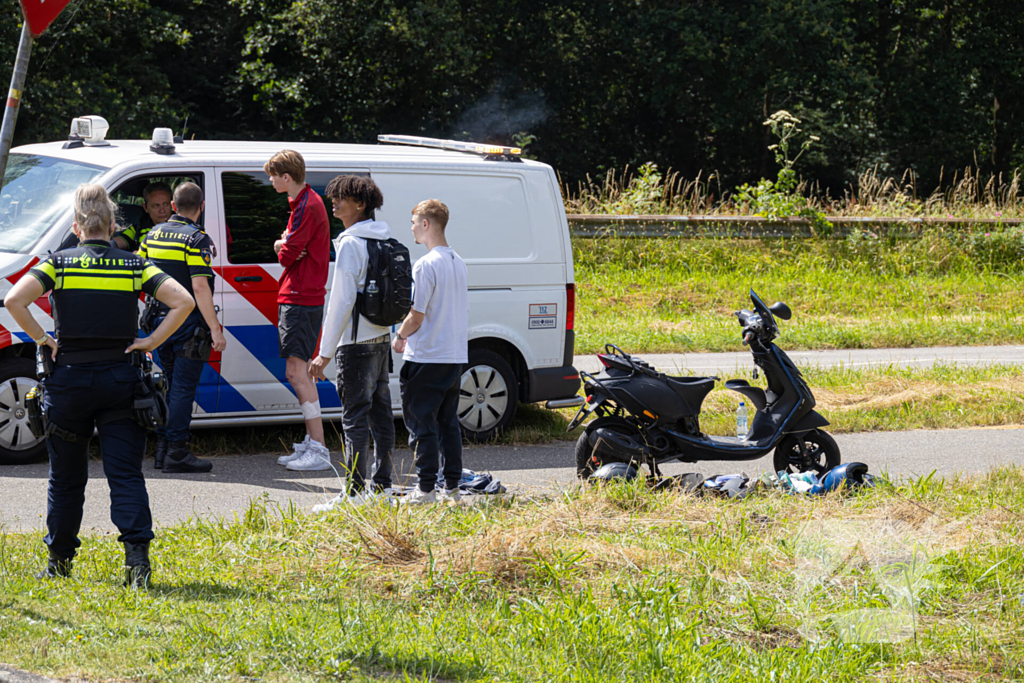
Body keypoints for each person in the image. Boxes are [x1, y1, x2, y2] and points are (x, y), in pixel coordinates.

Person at [3, 184, 194, 586]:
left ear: (77, 227)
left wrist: (44, 339)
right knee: (125, 475)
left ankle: (59, 564)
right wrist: (152, 341)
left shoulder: (59, 264)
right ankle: (137, 564)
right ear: (111, 226)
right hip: (122, 381)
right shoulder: (133, 265)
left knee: (65, 478)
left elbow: (14, 301)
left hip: (68, 383)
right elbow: (184, 302)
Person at [309, 176, 395, 506]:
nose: (333, 202)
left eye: (340, 197)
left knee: (355, 418)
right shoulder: (384, 240)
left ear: (360, 205)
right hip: (380, 339)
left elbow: (341, 301)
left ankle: (355, 493)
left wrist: (324, 353)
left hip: (355, 344)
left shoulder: (350, 244)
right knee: (381, 415)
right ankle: (383, 487)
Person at [139, 182, 226, 472]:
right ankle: (177, 450)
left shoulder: (152, 234)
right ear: (200, 208)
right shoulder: (196, 239)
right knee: (183, 388)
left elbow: (139, 271)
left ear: (173, 206)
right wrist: (215, 329)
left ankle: (162, 449)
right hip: (188, 324)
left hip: (160, 321)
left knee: (169, 384)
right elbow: (200, 287)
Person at [391, 199, 468, 504]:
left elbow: (417, 314)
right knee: (448, 424)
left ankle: (424, 490)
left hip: (426, 355)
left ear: (426, 224)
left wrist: (399, 336)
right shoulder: (458, 262)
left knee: (422, 424)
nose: (410, 227)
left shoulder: (425, 264)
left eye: (413, 222)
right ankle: (451, 487)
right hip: (453, 355)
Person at [265, 150, 332, 471]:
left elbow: (286, 255)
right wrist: (289, 245)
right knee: (298, 372)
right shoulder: (303, 203)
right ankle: (313, 442)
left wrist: (282, 244)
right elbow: (294, 250)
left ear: (286, 177)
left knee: (297, 373)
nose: (270, 180)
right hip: (300, 295)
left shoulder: (307, 206)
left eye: (272, 175)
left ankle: (318, 448)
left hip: (302, 297)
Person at [113, 182, 173, 251]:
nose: (162, 210)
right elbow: (116, 243)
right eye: (156, 205)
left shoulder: (181, 226)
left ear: (172, 204)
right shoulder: (140, 226)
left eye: (165, 204)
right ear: (145, 208)